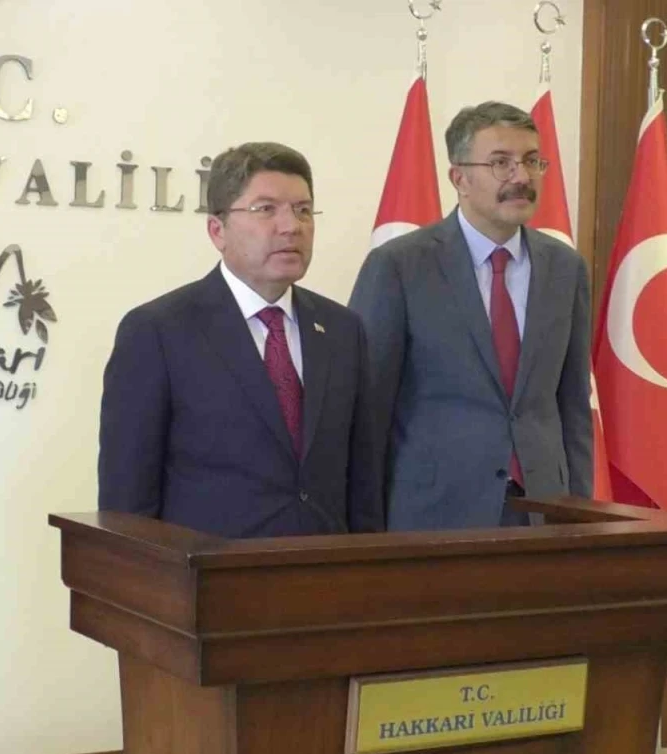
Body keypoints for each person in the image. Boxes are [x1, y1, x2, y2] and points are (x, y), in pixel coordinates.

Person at [98, 141, 382, 538]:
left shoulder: (342, 329)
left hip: (324, 569)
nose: (291, 226)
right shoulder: (157, 332)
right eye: (266, 209)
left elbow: (364, 484)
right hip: (208, 571)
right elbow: (127, 505)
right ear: (218, 231)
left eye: (303, 210)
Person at [349, 100, 591, 529]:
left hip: (543, 511)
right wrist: (366, 529)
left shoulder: (565, 268)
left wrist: (581, 514)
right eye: (501, 163)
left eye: (532, 161)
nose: (521, 177)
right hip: (434, 516)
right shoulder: (400, 266)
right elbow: (368, 411)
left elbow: (572, 406)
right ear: (459, 178)